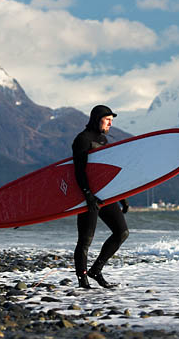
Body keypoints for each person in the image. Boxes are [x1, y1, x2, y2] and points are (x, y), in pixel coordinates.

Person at [72, 105, 129, 289]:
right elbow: (79, 172)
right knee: (85, 240)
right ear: (97, 119)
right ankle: (83, 282)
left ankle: (96, 270)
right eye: (107, 120)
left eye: (112, 120)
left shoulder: (103, 140)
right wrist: (88, 195)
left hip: (105, 195)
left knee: (122, 232)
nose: (111, 123)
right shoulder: (82, 140)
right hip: (86, 196)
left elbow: (106, 173)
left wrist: (122, 196)